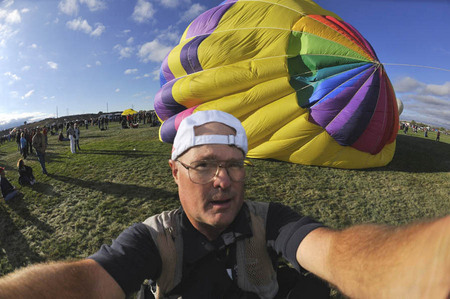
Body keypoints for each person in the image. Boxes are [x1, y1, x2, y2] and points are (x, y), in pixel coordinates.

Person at [0, 110, 449, 299]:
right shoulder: (154, 238)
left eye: (235, 165)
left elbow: (336, 253)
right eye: (205, 165)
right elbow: (88, 280)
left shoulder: (269, 220)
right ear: (175, 172)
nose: (224, 180)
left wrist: (429, 264)